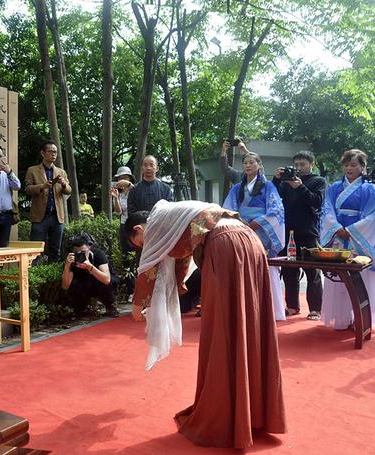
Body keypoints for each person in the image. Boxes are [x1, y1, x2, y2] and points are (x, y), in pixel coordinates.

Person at [125, 201, 286, 448]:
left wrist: (138, 307)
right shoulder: (174, 216)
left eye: (140, 243)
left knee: (221, 331)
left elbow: (149, 267)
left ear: (138, 229)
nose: (145, 247)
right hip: (250, 241)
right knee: (250, 324)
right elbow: (178, 263)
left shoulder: (157, 223)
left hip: (225, 246)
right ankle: (255, 414)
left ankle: (227, 416)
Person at [320, 149, 375, 330]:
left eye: (354, 165)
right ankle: (341, 317)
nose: (349, 168)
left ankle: (359, 319)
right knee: (338, 279)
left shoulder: (369, 188)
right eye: (346, 165)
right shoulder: (334, 188)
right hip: (338, 234)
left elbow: (374, 215)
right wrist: (337, 228)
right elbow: (327, 210)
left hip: (358, 238)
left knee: (359, 279)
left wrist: (352, 230)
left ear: (363, 167)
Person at [222, 152, 286, 321]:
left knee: (265, 266)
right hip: (242, 229)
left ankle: (270, 309)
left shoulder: (268, 186)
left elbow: (277, 210)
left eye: (251, 162)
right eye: (245, 163)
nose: (248, 165)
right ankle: (245, 309)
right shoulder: (237, 188)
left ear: (259, 165)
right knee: (243, 266)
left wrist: (257, 223)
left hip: (262, 231)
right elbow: (228, 208)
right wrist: (239, 221)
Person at [273, 150, 326, 320]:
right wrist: (276, 179)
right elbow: (273, 197)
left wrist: (300, 187)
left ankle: (316, 309)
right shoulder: (286, 182)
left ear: (312, 164)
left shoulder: (318, 181)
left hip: (308, 231)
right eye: (296, 165)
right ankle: (292, 306)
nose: (299, 168)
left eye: (303, 164)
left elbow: (317, 202)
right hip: (288, 231)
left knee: (312, 271)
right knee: (289, 271)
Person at [24, 140, 72, 262]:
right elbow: (28, 189)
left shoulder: (61, 172)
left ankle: (53, 276)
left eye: (55, 152)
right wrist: (42, 186)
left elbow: (68, 191)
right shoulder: (32, 170)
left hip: (57, 216)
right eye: (50, 151)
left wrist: (64, 185)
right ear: (43, 153)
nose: (53, 154)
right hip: (40, 216)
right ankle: (33, 276)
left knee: (56, 249)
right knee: (35, 249)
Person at [61, 234, 119, 317]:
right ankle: (81, 308)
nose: (81, 255)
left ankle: (110, 307)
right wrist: (67, 266)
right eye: (78, 253)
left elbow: (106, 279)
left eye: (84, 252)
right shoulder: (71, 260)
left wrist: (89, 267)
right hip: (86, 282)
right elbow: (65, 286)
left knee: (101, 281)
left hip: (105, 281)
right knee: (74, 284)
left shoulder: (98, 254)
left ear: (89, 248)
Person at [110, 166, 136, 295]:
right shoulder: (119, 193)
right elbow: (118, 212)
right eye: (120, 178)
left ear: (130, 178)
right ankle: (132, 290)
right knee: (127, 257)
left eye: (125, 177)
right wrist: (115, 198)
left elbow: (136, 190)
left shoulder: (135, 190)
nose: (122, 180)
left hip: (137, 226)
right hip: (124, 226)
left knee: (139, 256)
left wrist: (129, 185)